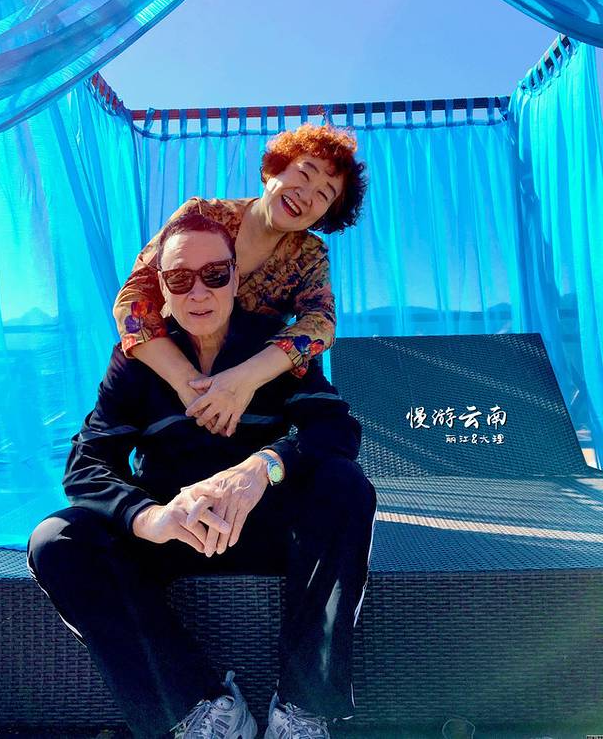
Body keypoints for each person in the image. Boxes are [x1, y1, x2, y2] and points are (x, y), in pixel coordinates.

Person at [27, 214, 377, 739]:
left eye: (215, 274)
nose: (198, 292)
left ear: (236, 277)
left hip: (262, 524)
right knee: (57, 539)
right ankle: (199, 710)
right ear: (161, 286)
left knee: (345, 487)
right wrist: (151, 518)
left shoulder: (274, 348)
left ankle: (302, 709)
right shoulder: (136, 363)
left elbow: (334, 429)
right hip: (176, 530)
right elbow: (88, 462)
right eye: (179, 278)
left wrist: (263, 467)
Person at [113, 122, 366, 438]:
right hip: (171, 374)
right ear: (275, 169)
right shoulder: (201, 214)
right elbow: (134, 298)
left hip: (251, 396)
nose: (305, 195)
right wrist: (186, 381)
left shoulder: (310, 255)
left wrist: (243, 380)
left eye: (324, 194)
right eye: (303, 174)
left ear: (327, 213)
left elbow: (321, 323)